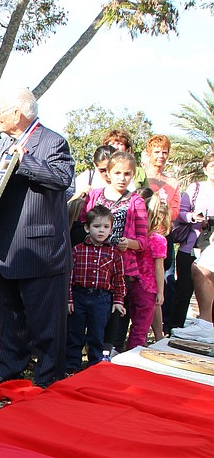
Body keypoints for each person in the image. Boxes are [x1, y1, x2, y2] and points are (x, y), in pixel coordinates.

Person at [0, 86, 75, 388]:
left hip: (42, 248)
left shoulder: (52, 142)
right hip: (5, 246)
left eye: (2, 110)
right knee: (10, 318)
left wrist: (24, 162)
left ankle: (47, 380)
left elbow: (63, 179)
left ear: (18, 113)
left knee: (46, 322)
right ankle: (7, 374)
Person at [83, 150, 149, 354]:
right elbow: (82, 226)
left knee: (117, 314)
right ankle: (90, 354)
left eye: (127, 174)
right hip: (92, 266)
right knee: (91, 312)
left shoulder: (136, 201)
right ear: (108, 173)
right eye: (118, 173)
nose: (122, 178)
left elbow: (143, 241)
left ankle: (113, 354)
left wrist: (129, 243)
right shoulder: (94, 195)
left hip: (121, 268)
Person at [65, 204, 126, 372]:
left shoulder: (114, 254)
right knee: (74, 333)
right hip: (79, 296)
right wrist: (69, 298)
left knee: (97, 334)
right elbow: (69, 277)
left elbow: (119, 279)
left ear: (111, 230)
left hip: (102, 299)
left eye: (106, 227)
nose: (101, 231)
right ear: (87, 227)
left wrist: (119, 301)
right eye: (97, 226)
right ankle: (72, 366)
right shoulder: (77, 250)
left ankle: (94, 367)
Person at [168, 150, 214, 333]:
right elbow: (179, 212)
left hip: (211, 246)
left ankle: (208, 328)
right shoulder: (195, 188)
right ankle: (173, 328)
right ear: (205, 168)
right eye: (212, 166)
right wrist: (193, 217)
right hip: (192, 244)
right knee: (183, 290)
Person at [125, 194, 169, 349]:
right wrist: (161, 292)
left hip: (135, 284)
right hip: (149, 287)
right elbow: (159, 267)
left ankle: (132, 347)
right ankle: (133, 353)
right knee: (142, 326)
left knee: (136, 322)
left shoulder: (141, 239)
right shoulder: (159, 240)